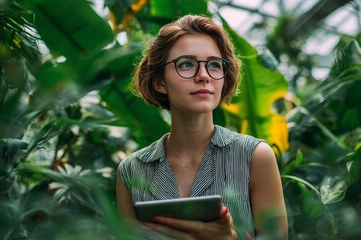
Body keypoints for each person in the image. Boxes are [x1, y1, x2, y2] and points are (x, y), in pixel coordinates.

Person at [116, 14, 288, 239]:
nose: (204, 76)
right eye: (186, 64)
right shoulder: (131, 171)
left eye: (214, 65)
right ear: (160, 82)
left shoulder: (255, 156)